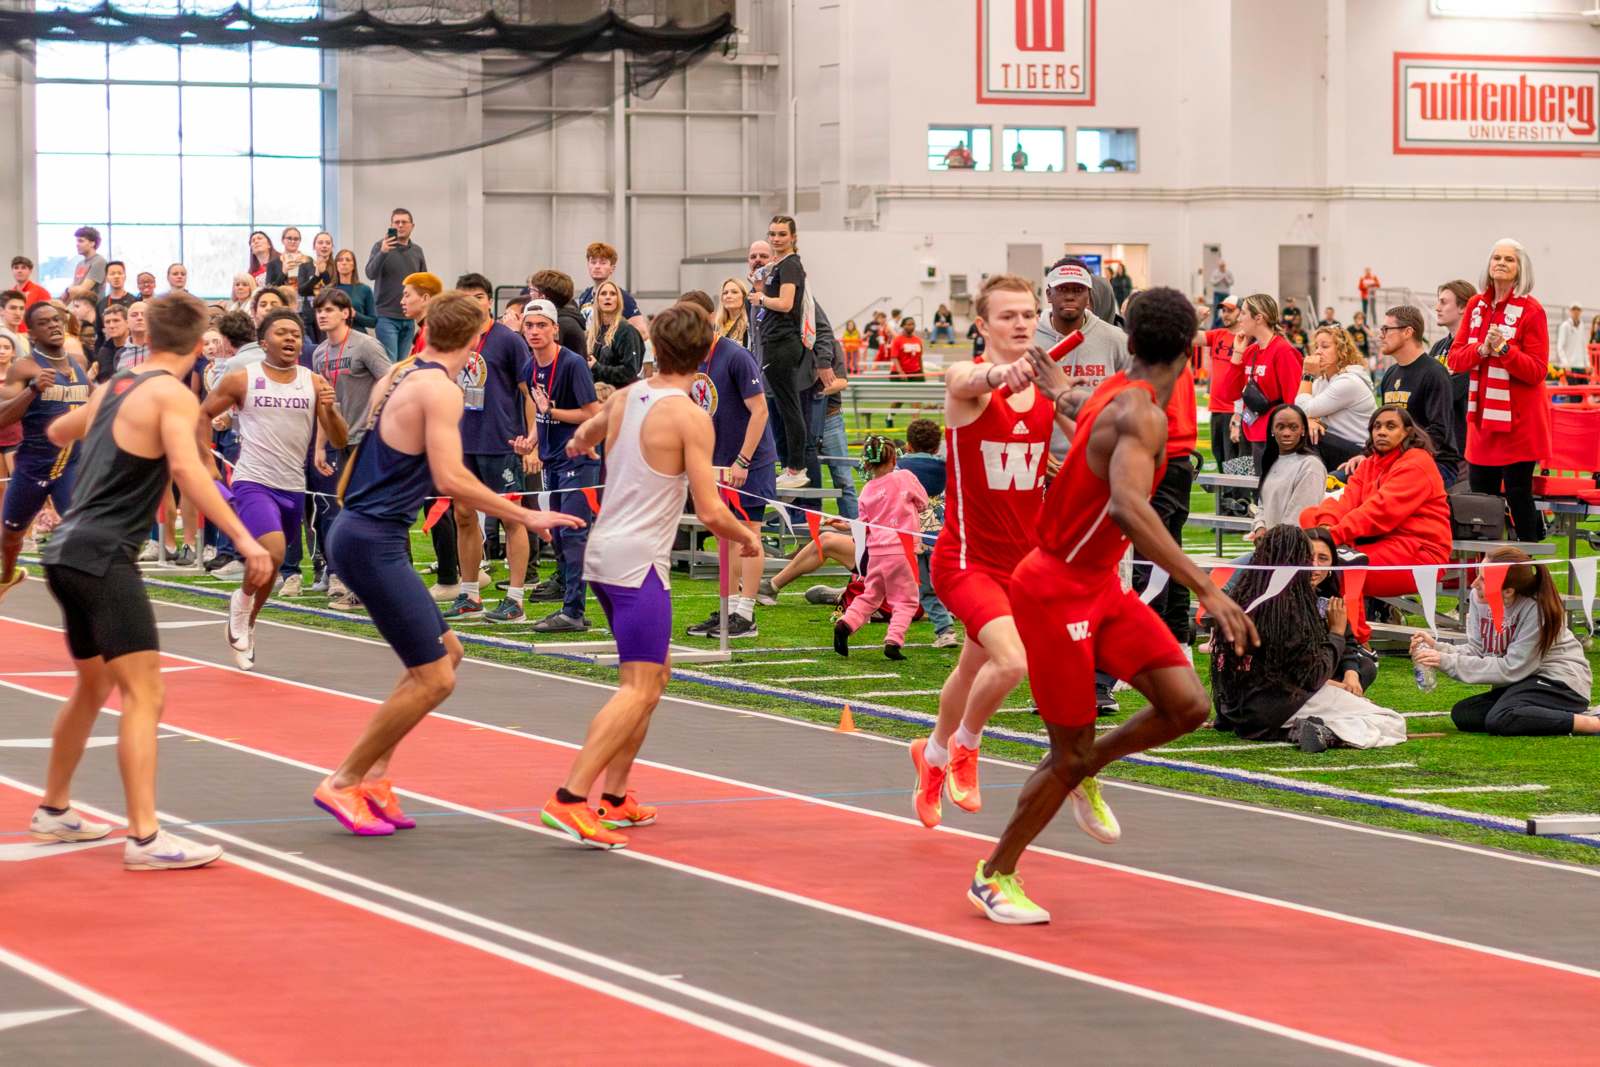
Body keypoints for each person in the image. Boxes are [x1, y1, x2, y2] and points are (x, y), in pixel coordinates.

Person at [970, 287, 1255, 924]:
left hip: (1100, 586)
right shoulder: (1142, 414)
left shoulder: (1112, 394)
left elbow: (1077, 404)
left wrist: (1056, 389)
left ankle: (1084, 767)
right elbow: (1129, 507)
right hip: (1053, 591)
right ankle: (994, 874)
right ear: (1192, 351)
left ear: (1128, 342)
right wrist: (1207, 587)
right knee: (1066, 752)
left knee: (1187, 705)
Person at [311, 295, 580, 835]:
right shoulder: (440, 389)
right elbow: (450, 477)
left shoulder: (403, 372)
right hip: (371, 538)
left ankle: (375, 775)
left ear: (426, 329)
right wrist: (525, 516)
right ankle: (343, 780)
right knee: (435, 678)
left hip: (367, 531)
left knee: (445, 656)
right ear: (478, 339)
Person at [32, 291, 274, 868]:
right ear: (199, 343)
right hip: (104, 556)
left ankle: (54, 809)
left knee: (93, 688)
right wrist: (244, 541)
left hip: (66, 552)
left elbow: (59, 431)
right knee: (146, 693)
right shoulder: (172, 394)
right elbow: (189, 471)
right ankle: (144, 838)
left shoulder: (116, 384)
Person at [537, 303, 758, 849]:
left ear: (655, 347)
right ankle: (569, 797)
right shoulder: (690, 416)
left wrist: (582, 442)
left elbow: (585, 433)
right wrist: (747, 537)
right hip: (638, 563)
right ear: (706, 353)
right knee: (638, 688)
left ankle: (615, 797)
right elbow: (711, 510)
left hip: (607, 553)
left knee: (653, 679)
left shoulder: (627, 395)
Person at [910, 274, 1057, 830]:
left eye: (1028, 315)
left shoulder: (1045, 390)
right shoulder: (967, 385)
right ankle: (966, 746)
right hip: (966, 562)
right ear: (982, 325)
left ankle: (930, 755)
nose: (1020, 324)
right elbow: (966, 377)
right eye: (1007, 316)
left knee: (971, 668)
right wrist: (999, 373)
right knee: (1012, 662)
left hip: (1021, 566)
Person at [203, 309, 347, 669]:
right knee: (273, 550)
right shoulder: (242, 379)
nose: (290, 338)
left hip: (292, 485)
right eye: (281, 332)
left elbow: (341, 439)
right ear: (263, 342)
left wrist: (329, 409)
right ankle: (241, 602)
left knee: (274, 563)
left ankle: (247, 621)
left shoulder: (313, 382)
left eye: (295, 334)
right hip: (253, 481)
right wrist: (205, 459)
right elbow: (202, 414)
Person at [1214, 525, 1406, 752]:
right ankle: (1323, 732)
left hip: (1236, 709)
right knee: (1391, 721)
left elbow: (1223, 666)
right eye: (1307, 557)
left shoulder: (1242, 595)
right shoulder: (1290, 606)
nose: (1312, 565)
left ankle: (1290, 729)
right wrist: (1336, 633)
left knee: (1362, 669)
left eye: (1321, 559)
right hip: (1280, 704)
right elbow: (1311, 675)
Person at [672, 290, 776, 640]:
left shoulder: (735, 355)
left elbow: (760, 411)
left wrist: (743, 460)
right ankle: (729, 608)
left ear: (709, 316)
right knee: (724, 535)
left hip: (749, 460)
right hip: (716, 462)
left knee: (748, 533)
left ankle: (746, 614)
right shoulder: (690, 359)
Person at [1300, 405, 1452, 643]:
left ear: (1407, 432)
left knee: (1342, 567)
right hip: (1381, 542)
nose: (1381, 432)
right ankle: (1320, 632)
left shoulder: (1417, 463)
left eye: (1390, 426)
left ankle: (1357, 644)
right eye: (1377, 427)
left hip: (1421, 553)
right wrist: (1325, 528)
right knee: (1310, 517)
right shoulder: (1370, 463)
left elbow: (1379, 512)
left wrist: (1329, 539)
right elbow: (1345, 500)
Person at [436, 273, 538, 624]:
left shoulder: (508, 341)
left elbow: (530, 394)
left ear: (489, 300)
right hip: (462, 443)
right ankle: (469, 595)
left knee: (511, 517)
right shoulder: (455, 340)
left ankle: (516, 599)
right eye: (466, 297)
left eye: (479, 296)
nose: (473, 303)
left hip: (501, 442)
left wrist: (532, 441)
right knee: (463, 516)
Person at [1414, 548, 1600, 739]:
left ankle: (1594, 722)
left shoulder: (1536, 609)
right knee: (1465, 713)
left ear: (1508, 591)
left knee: (1502, 718)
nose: (1474, 584)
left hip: (1560, 683)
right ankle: (1538, 713)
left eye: (1483, 579)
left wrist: (1444, 660)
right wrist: (1437, 648)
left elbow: (1511, 668)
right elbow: (1477, 650)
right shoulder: (1479, 599)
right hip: (1523, 680)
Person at [1448, 239, 1551, 542]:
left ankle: (1528, 563)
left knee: (1519, 495)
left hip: (1519, 423)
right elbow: (1455, 359)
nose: (1501, 263)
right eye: (1497, 258)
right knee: (1482, 501)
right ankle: (1486, 568)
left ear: (1521, 269)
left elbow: (1537, 371)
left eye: (1509, 259)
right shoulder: (1475, 306)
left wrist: (1505, 350)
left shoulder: (1532, 311)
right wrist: (1481, 350)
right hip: (1482, 423)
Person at [519, 299, 603, 633]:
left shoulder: (571, 364)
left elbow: (592, 414)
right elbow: (540, 415)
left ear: (555, 328)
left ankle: (573, 611)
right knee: (557, 534)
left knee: (573, 534)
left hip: (578, 460)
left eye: (542, 325)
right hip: (552, 459)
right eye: (529, 325)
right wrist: (531, 441)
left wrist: (552, 413)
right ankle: (571, 605)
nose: (535, 331)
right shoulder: (529, 366)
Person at [0, 302, 92, 593]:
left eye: (56, 320)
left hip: (71, 465)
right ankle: (7, 577)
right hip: (32, 467)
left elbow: (93, 404)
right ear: (32, 333)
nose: (53, 325)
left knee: (82, 530)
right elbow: (2, 417)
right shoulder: (24, 367)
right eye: (44, 322)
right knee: (11, 535)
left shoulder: (78, 362)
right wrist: (32, 390)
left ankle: (89, 592)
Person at [310, 288, 392, 608]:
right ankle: (364, 585)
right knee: (351, 514)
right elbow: (324, 404)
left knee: (373, 514)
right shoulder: (320, 353)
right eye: (319, 310)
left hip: (370, 440)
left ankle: (381, 585)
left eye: (330, 309)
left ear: (347, 313)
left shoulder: (366, 345)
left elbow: (392, 381)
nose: (322, 314)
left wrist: (379, 426)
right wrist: (320, 446)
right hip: (342, 441)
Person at [834, 434, 926, 660]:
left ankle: (846, 623)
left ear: (866, 463)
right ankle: (893, 641)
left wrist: (845, 525)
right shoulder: (905, 477)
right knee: (906, 600)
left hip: (876, 553)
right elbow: (923, 503)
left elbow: (864, 526)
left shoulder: (866, 490)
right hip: (903, 551)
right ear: (894, 459)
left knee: (871, 595)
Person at [750, 215, 810, 489]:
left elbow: (786, 303)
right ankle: (791, 467)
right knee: (784, 408)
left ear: (793, 237)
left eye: (782, 234)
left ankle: (796, 468)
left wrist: (761, 298)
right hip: (775, 342)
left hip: (783, 343)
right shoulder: (780, 265)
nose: (776, 239)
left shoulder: (791, 266)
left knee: (789, 407)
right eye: (772, 233)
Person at [1212, 293, 1303, 469]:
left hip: (1276, 437)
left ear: (1259, 318)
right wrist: (1237, 354)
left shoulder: (1283, 351)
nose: (1239, 319)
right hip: (1252, 432)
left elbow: (1294, 401)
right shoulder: (1250, 351)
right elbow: (1229, 394)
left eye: (1243, 313)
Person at [1375, 305, 1461, 486]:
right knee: (1346, 477)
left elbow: (1438, 432)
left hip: (1434, 462)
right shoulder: (1390, 374)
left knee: (1385, 489)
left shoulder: (1434, 373)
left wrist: (1400, 453)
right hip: (1397, 459)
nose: (1381, 335)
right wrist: (1366, 455)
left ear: (1407, 332)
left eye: (1386, 329)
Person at [893, 417, 956, 647]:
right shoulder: (947, 467)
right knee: (950, 582)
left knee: (926, 588)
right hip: (945, 535)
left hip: (913, 537)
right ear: (937, 446)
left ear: (909, 445)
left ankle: (945, 630)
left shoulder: (899, 469)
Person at [1297, 325, 1375, 470]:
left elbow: (1303, 409)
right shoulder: (1322, 381)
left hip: (1360, 451)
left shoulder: (1348, 381)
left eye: (1325, 346)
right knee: (1296, 428)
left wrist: (1307, 374)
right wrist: (1309, 420)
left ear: (1341, 350)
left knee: (1304, 434)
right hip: (1335, 444)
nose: (1318, 352)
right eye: (1316, 347)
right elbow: (1299, 412)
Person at [1249, 405, 1326, 539]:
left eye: (1293, 427)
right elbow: (1263, 505)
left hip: (1292, 546)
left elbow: (1298, 519)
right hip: (1271, 544)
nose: (1286, 433)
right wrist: (1260, 527)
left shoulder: (1311, 466)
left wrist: (1271, 542)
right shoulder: (1271, 462)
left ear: (1303, 430)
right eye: (1280, 427)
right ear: (1272, 430)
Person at [368, 208, 428, 361]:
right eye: (396, 222)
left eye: (404, 222)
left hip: (409, 317)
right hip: (386, 317)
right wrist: (383, 252)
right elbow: (370, 273)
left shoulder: (417, 251)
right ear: (391, 225)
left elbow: (424, 283)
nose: (400, 225)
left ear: (412, 226)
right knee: (389, 364)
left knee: (403, 364)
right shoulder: (380, 246)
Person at [1431, 280, 1475, 457]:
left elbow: (1450, 391)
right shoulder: (1438, 347)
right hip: (1440, 443)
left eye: (1443, 302)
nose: (1437, 308)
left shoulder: (1474, 346)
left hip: (1463, 446)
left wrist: (1437, 382)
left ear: (1463, 307)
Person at [1202, 296, 1242, 477]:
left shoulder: (1248, 339)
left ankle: (1235, 495)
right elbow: (1189, 337)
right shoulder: (1218, 334)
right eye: (1224, 310)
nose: (1225, 314)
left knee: (1233, 462)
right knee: (1219, 456)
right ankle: (1226, 495)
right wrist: (1198, 319)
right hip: (1217, 408)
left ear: (1241, 312)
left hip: (1234, 410)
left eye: (1230, 310)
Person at [586, 279, 646, 389]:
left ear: (618, 301)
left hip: (619, 394)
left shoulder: (626, 331)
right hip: (597, 393)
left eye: (613, 294)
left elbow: (630, 372)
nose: (608, 297)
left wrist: (597, 367)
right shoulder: (594, 333)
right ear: (597, 300)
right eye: (603, 294)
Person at [576, 242, 647, 334]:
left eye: (603, 263)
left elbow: (643, 332)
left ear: (612, 268)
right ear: (588, 265)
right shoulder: (584, 296)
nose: (597, 266)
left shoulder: (621, 296)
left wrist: (616, 340)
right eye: (593, 262)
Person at [527, 269, 587, 354]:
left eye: (532, 290)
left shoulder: (561, 323)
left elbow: (541, 357)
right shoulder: (566, 317)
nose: (530, 294)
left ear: (543, 297)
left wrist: (516, 332)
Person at [329, 249, 377, 333]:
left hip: (359, 334)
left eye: (348, 260)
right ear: (336, 265)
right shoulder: (328, 291)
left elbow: (373, 322)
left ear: (353, 265)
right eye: (340, 260)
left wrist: (355, 314)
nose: (344, 263)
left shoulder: (365, 289)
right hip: (335, 334)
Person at [65, 227, 106, 302]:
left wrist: (67, 290)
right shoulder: (80, 264)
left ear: (92, 243)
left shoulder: (99, 262)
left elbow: (83, 290)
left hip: (92, 306)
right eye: (77, 241)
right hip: (77, 304)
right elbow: (74, 285)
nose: (77, 244)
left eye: (81, 241)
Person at [1555, 303, 1589, 385]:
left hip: (1581, 366)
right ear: (1570, 311)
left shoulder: (1582, 325)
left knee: (1584, 392)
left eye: (1578, 310)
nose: (1576, 312)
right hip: (1570, 367)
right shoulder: (1565, 326)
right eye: (1574, 309)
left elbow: (1584, 346)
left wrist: (1587, 364)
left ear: (1581, 311)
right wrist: (1565, 363)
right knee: (1572, 392)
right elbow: (1560, 346)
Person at [716, 277, 750, 349]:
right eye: (725, 293)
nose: (728, 296)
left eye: (734, 292)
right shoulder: (717, 326)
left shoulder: (750, 325)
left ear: (744, 297)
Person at [1209, 259, 1233, 327]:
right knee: (1216, 310)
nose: (1222, 267)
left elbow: (1232, 282)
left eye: (1223, 266)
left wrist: (1226, 280)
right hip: (1217, 293)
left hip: (1225, 294)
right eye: (1221, 266)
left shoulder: (1228, 272)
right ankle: (1214, 327)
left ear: (1225, 266)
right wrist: (1219, 280)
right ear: (1218, 266)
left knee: (1226, 310)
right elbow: (1212, 282)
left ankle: (1225, 325)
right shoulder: (1215, 273)